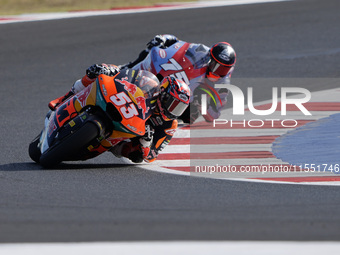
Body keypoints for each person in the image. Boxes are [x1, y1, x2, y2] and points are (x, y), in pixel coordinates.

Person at [48, 64, 190, 163]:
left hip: (128, 133)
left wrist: (146, 143)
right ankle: (63, 99)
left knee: (136, 156)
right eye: (173, 104)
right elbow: (128, 74)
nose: (173, 111)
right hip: (121, 105)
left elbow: (152, 155)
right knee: (95, 72)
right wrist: (110, 70)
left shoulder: (170, 125)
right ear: (164, 94)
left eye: (179, 108)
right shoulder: (150, 85)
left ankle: (101, 144)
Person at [120, 34, 236, 123]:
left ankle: (159, 120)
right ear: (210, 57)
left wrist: (203, 105)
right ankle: (127, 68)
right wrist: (163, 39)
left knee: (190, 115)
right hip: (181, 78)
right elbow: (178, 42)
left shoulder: (223, 83)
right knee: (152, 48)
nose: (217, 71)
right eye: (215, 65)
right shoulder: (201, 51)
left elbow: (214, 115)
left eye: (222, 69)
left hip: (189, 97)